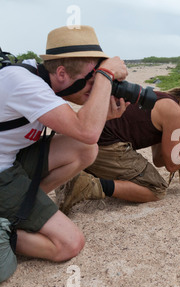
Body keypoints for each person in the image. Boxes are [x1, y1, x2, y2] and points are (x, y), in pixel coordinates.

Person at [0, 25, 129, 263]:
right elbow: (87, 130)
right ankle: (7, 228)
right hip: (2, 172)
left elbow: (83, 135)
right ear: (61, 74)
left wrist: (106, 112)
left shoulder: (37, 76)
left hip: (12, 160)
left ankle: (24, 209)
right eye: (90, 80)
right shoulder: (23, 83)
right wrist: (106, 75)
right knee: (69, 244)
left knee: (85, 149)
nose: (93, 88)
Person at [56, 79, 180, 213]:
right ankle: (87, 186)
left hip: (89, 139)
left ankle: (77, 176)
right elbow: (172, 165)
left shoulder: (165, 100)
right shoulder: (175, 112)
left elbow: (160, 160)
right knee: (156, 188)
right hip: (106, 143)